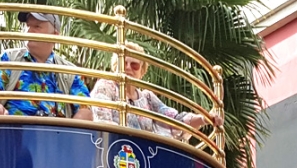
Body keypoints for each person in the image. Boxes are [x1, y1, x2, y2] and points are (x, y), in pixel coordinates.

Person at [0, 11, 92, 168]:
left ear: (55, 35)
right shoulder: (10, 58)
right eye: (28, 26)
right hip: (15, 137)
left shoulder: (69, 71)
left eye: (37, 26)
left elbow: (85, 111)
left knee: (89, 129)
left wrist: (75, 129)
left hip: (57, 141)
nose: (29, 30)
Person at [89, 43, 217, 136]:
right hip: (114, 152)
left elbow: (175, 120)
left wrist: (205, 119)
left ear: (142, 72)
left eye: (135, 65)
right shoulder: (105, 86)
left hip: (146, 157)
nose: (128, 68)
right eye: (123, 63)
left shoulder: (147, 98)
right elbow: (103, 122)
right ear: (115, 67)